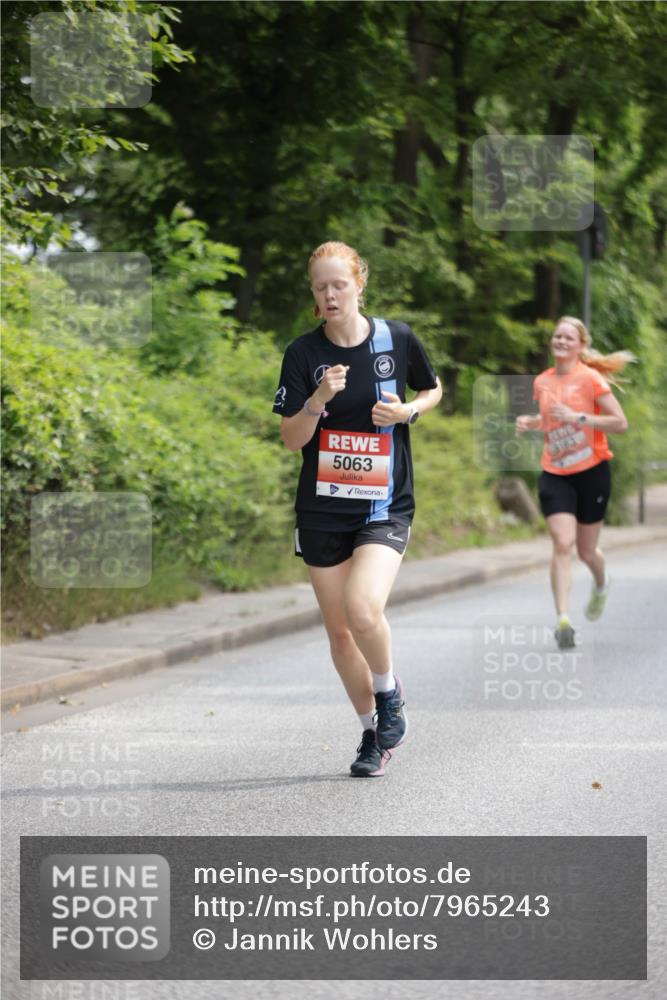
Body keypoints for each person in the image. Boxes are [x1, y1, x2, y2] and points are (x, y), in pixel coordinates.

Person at [273, 241, 442, 776]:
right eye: (320, 287)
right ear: (313, 294)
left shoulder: (396, 339)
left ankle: (389, 693)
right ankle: (373, 735)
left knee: (363, 608)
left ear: (359, 284)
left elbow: (433, 390)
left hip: (384, 503)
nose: (329, 295)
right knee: (340, 633)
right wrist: (317, 400)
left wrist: (408, 411)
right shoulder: (303, 354)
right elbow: (290, 440)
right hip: (322, 510)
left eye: (338, 284)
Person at [516, 316, 633, 648]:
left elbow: (619, 422)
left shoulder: (591, 379)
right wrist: (532, 422)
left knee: (586, 550)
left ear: (581, 345)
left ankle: (601, 582)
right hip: (555, 472)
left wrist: (581, 417)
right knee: (562, 542)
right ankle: (563, 619)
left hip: (592, 472)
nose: (562, 342)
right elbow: (551, 420)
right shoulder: (543, 381)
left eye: (569, 338)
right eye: (557, 337)